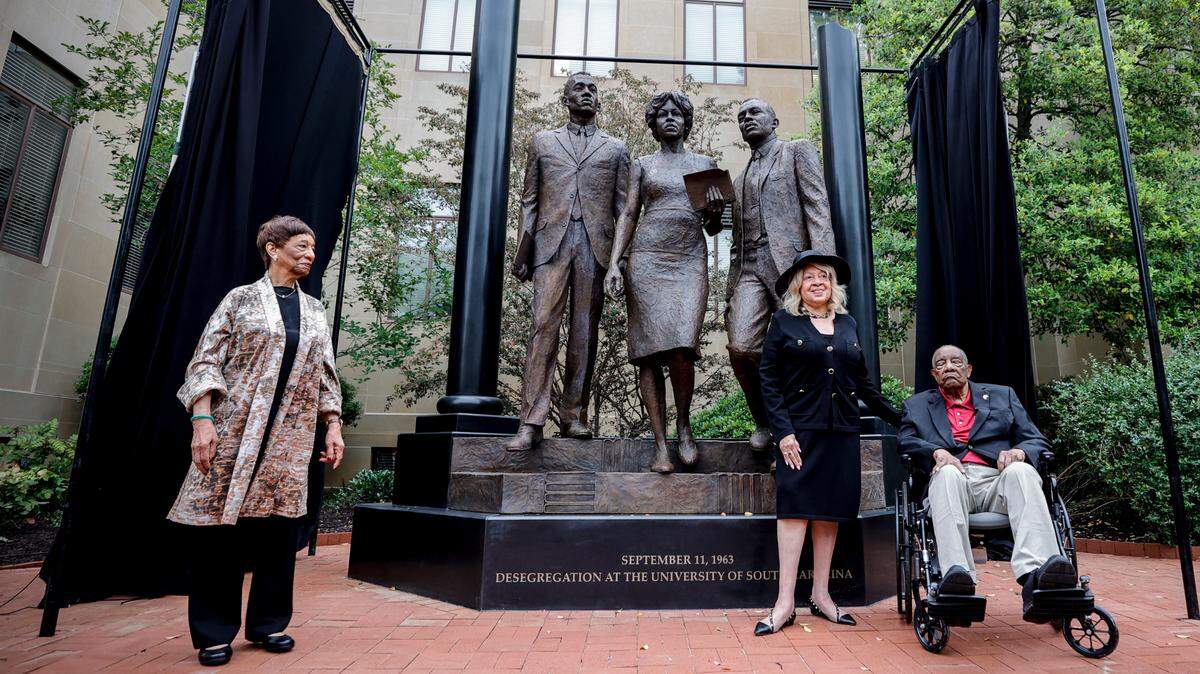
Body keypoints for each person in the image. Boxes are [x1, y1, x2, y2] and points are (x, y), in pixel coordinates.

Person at [172, 215, 344, 666]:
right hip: (233, 430)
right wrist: (202, 420)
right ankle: (214, 632)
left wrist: (333, 426)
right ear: (273, 248)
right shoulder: (241, 300)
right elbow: (205, 361)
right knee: (219, 533)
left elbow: (325, 373)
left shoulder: (314, 311)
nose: (310, 254)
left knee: (278, 532)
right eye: (302, 246)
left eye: (313, 248)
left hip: (289, 437)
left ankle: (269, 624)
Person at [755, 250, 901, 635]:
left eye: (824, 276)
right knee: (794, 511)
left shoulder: (849, 323)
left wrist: (902, 417)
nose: (817, 281)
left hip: (841, 432)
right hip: (800, 434)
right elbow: (768, 381)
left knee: (829, 512)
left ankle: (821, 596)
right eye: (809, 277)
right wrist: (783, 432)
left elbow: (863, 382)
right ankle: (784, 603)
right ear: (798, 287)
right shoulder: (784, 322)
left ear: (833, 285)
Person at [897, 344, 1076, 619]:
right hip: (952, 482)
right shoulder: (917, 405)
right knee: (945, 474)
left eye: (956, 362)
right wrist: (935, 451)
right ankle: (957, 578)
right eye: (941, 364)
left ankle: (1037, 575)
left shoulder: (1002, 396)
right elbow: (905, 442)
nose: (949, 367)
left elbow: (1036, 440)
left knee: (1023, 471)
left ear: (968, 369)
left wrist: (1020, 452)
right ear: (934, 374)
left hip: (996, 480)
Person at [505, 72, 631, 451]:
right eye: (580, 88)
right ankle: (530, 421)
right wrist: (523, 250)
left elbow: (624, 208)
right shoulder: (543, 142)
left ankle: (574, 415)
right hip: (550, 245)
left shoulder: (616, 148)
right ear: (566, 98)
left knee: (584, 333)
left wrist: (617, 262)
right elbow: (529, 199)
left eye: (593, 89)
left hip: (595, 247)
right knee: (543, 327)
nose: (587, 93)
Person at [604, 90, 724, 474]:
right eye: (663, 114)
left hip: (688, 259)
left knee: (682, 346)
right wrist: (613, 264)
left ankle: (684, 425)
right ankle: (659, 446)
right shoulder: (642, 164)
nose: (670, 118)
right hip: (647, 260)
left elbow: (713, 226)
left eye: (677, 114)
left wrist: (716, 212)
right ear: (653, 124)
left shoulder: (704, 163)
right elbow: (628, 213)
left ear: (686, 122)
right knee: (649, 351)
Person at [726, 98, 836, 452]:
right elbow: (735, 237)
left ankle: (800, 430)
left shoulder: (796, 151)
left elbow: (817, 206)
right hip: (748, 269)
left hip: (791, 267)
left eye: (754, 113)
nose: (747, 119)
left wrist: (823, 268)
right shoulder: (739, 177)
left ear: (774, 120)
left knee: (801, 350)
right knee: (742, 346)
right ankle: (768, 421)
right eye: (741, 116)